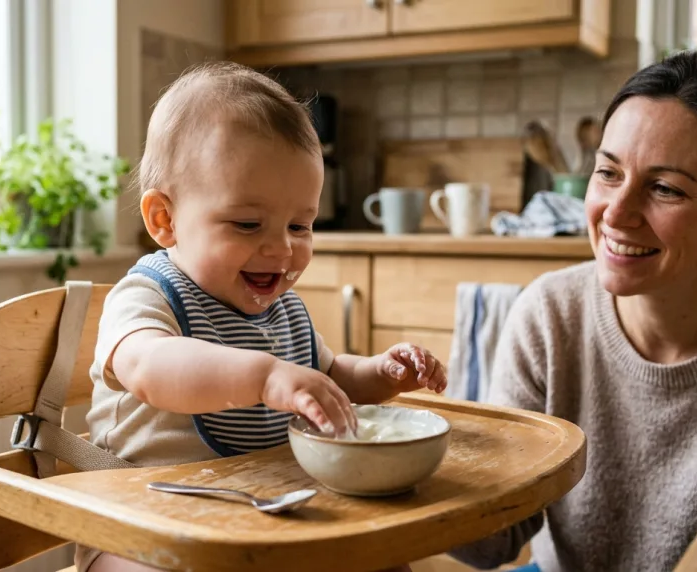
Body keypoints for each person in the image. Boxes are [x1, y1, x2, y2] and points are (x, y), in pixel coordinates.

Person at [77, 61, 448, 572]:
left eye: (301, 225)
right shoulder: (147, 296)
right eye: (248, 224)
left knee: (387, 558)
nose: (281, 248)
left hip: (255, 516)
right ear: (165, 219)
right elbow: (149, 366)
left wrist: (382, 374)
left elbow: (330, 375)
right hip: (137, 526)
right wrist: (266, 376)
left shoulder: (282, 309)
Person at [448, 47, 697, 572]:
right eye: (608, 173)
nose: (617, 213)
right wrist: (406, 462)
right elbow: (493, 539)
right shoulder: (550, 315)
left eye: (664, 188)